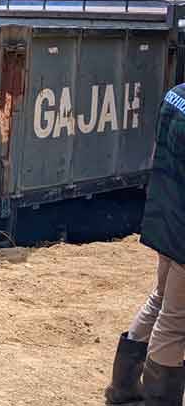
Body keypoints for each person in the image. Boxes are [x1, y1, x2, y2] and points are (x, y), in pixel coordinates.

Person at [106, 82, 185, 405]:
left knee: (161, 298)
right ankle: (159, 399)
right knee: (176, 319)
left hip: (165, 214)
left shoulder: (175, 94)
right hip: (182, 228)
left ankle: (123, 387)